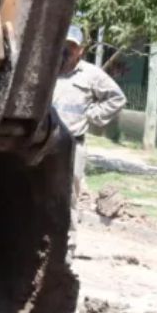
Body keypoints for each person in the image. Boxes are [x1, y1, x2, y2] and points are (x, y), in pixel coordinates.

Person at [52, 24, 127, 202]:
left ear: (80, 50)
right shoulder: (49, 70)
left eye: (72, 46)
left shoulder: (91, 74)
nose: (66, 49)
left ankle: (70, 230)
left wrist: (94, 114)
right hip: (46, 141)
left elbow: (117, 98)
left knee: (69, 196)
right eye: (64, 44)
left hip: (73, 145)